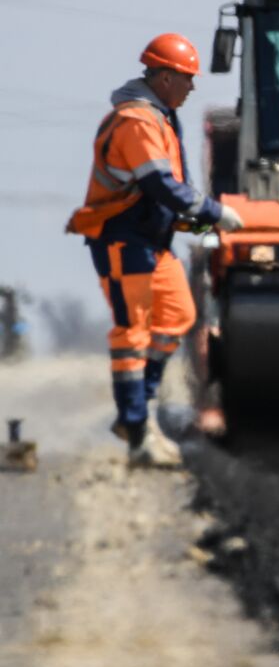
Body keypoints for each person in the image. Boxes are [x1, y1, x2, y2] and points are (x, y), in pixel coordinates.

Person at [66, 34, 244, 468]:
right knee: (134, 333)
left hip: (151, 242)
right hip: (123, 241)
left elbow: (163, 195)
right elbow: (159, 186)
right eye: (187, 78)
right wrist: (215, 211)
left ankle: (136, 419)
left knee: (178, 315)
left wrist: (197, 220)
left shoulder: (160, 117)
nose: (192, 87)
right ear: (164, 78)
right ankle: (137, 430)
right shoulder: (137, 122)